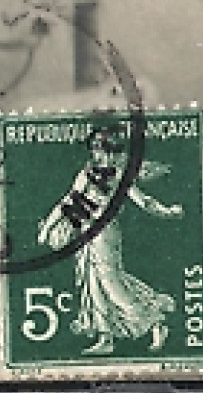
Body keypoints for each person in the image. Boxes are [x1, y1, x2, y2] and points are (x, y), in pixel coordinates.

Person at [37, 127, 182, 355]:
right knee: (93, 284)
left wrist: (168, 212)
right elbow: (68, 201)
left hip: (105, 233)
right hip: (85, 232)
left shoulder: (118, 175)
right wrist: (47, 227)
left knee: (111, 284)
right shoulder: (87, 174)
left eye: (108, 151)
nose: (104, 156)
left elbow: (143, 200)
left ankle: (155, 321)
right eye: (99, 150)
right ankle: (106, 338)